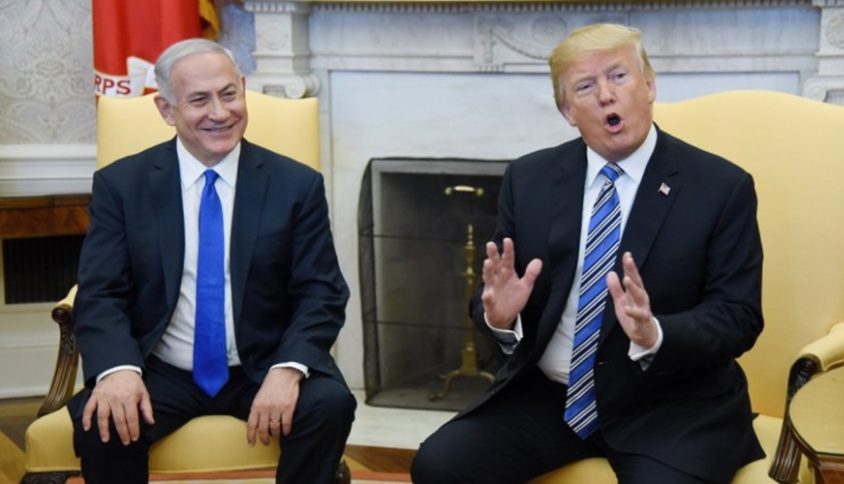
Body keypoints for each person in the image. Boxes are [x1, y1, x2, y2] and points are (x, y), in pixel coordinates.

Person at [411, 23, 764, 483]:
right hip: (551, 398)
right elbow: (495, 294)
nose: (606, 95)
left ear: (649, 85)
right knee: (439, 466)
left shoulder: (721, 187)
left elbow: (739, 316)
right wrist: (499, 316)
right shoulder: (529, 179)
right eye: (585, 86)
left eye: (618, 76)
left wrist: (655, 333)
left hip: (671, 406)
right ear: (567, 111)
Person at [68, 38, 355, 484]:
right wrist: (119, 369)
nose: (220, 113)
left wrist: (287, 368)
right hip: (161, 366)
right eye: (199, 100)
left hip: (262, 362)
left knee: (329, 405)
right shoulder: (122, 185)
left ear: (244, 89)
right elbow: (101, 291)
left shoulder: (296, 185)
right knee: (102, 419)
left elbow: (321, 291)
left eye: (229, 94)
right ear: (166, 110)